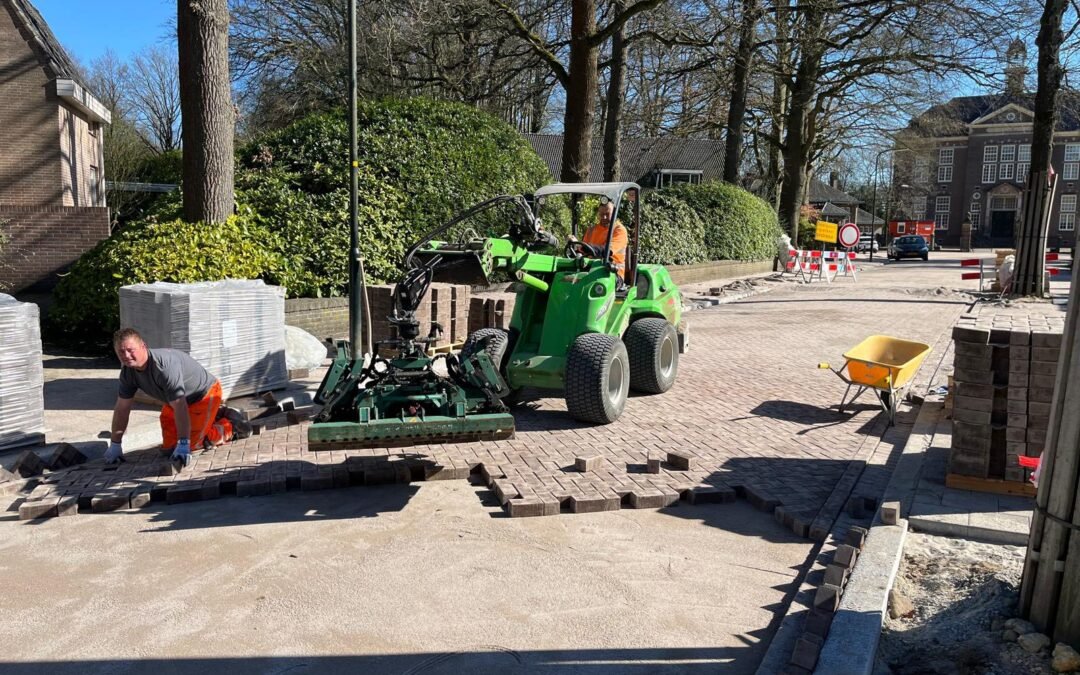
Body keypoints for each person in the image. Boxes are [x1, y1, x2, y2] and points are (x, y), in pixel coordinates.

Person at [106, 328, 228, 466]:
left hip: (204, 395)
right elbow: (122, 408)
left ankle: (230, 425)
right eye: (121, 352)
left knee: (194, 445)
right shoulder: (128, 373)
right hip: (175, 401)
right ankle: (211, 418)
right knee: (169, 448)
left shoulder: (164, 367)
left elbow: (180, 406)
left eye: (130, 350)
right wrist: (115, 444)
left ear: (143, 346)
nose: (126, 355)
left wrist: (184, 443)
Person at [580, 201, 629, 280]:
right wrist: (576, 245)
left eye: (607, 214)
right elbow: (582, 251)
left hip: (612, 272)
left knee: (597, 282)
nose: (604, 217)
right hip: (590, 269)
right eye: (601, 214)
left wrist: (585, 247)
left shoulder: (619, 230)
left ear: (614, 213)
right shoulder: (591, 230)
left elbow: (606, 250)